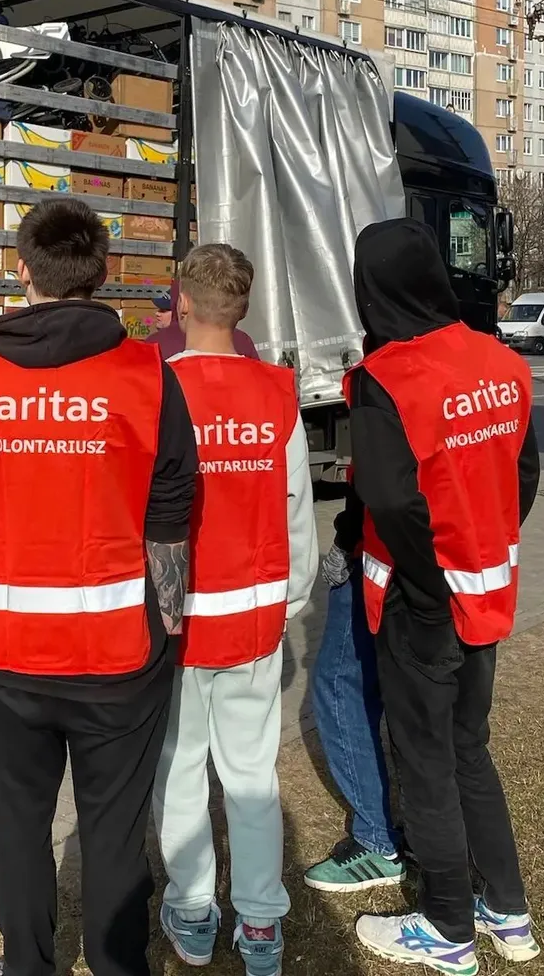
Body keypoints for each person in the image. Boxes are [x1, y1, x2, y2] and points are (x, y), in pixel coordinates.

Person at [0, 197, 198, 976]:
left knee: (17, 825)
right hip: (120, 653)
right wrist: (169, 621)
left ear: (22, 271)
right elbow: (171, 513)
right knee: (113, 831)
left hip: (6, 652)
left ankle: (26, 966)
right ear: (101, 273)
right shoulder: (146, 375)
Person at [344, 220, 541, 975]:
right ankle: (507, 910)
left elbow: (390, 500)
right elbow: (524, 472)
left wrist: (427, 590)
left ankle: (448, 926)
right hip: (485, 591)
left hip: (419, 604)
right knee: (468, 750)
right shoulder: (502, 361)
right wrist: (479, 547)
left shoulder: (385, 378)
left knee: (425, 761)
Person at [152, 244, 318, 976]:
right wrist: (291, 599)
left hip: (178, 620)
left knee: (180, 767)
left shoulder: (156, 388)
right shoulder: (276, 393)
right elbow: (297, 510)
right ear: (242, 310)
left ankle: (192, 911)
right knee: (251, 774)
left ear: (181, 302)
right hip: (254, 617)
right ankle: (259, 924)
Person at [302, 482, 406, 893]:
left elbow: (374, 472)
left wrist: (346, 540)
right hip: (445, 561)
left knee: (340, 687)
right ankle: (428, 836)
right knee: (409, 694)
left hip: (378, 555)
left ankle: (377, 841)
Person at [146, 279, 261, 360]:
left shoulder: (155, 345)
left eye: (164, 310)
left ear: (182, 304)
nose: (157, 314)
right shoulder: (243, 341)